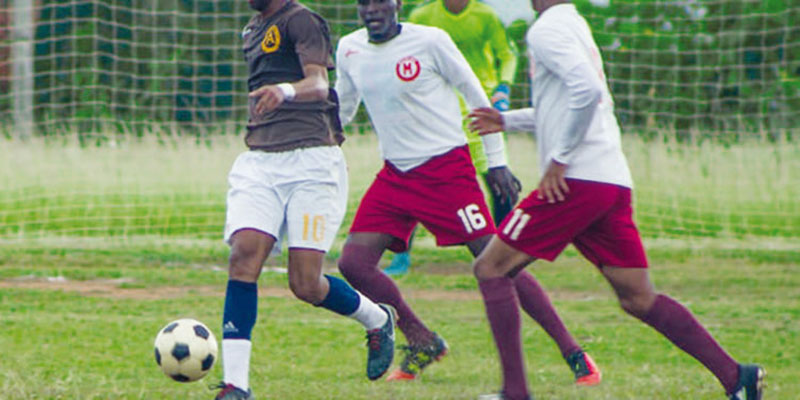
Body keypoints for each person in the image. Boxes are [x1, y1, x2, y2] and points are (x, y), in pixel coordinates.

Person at [468, 1, 765, 399]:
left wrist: (560, 160)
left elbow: (587, 92)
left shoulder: (546, 30)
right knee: (637, 297)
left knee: (491, 268)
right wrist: (508, 120)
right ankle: (737, 377)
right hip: (609, 181)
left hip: (574, 182)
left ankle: (515, 392)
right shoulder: (573, 24)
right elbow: (567, 105)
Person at [335, 0, 599, 386]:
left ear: (398, 4)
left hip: (447, 172)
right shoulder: (349, 48)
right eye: (364, 3)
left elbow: (476, 96)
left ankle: (575, 353)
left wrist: (496, 162)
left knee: (498, 262)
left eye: (381, 1)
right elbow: (342, 109)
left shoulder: (430, 41)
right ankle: (421, 340)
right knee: (354, 264)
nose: (372, 9)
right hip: (396, 175)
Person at [213, 1, 397, 398]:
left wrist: (283, 91)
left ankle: (377, 318)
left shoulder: (302, 20)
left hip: (312, 165)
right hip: (260, 161)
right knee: (243, 255)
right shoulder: (252, 30)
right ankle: (236, 386)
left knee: (306, 283)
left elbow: (317, 84)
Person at [384, 0, 520, 276]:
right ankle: (400, 257)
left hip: (477, 107)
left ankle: (504, 256)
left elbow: (507, 54)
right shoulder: (423, 16)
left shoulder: (485, 16)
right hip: (436, 110)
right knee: (414, 179)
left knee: (498, 179)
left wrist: (503, 87)